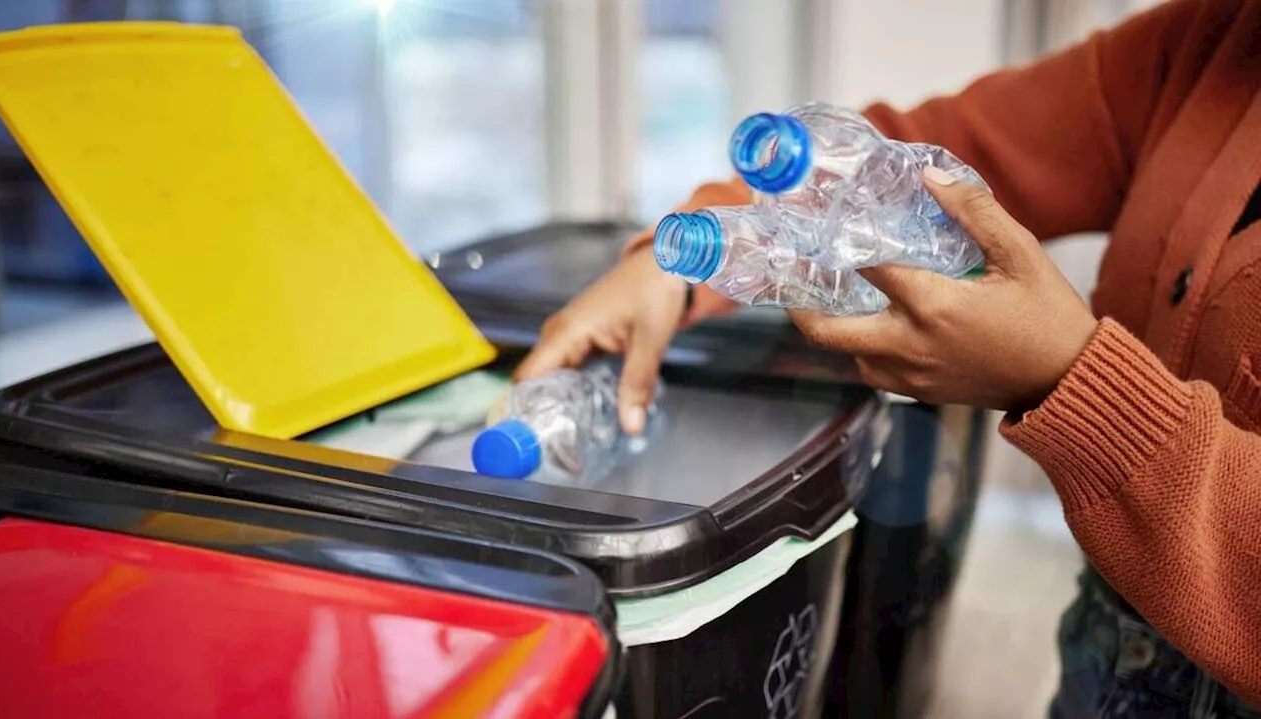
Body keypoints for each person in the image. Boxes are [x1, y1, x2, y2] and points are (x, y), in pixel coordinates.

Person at [517, 0, 1261, 715]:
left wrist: (1071, 381)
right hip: (1115, 634)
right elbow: (912, 156)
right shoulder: (1212, 42)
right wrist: (684, 254)